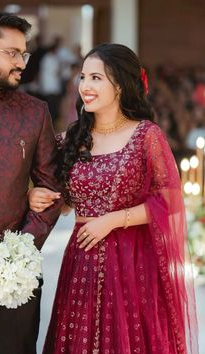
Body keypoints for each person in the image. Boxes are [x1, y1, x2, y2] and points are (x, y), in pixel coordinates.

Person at [29, 43, 198, 354]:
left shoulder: (145, 135)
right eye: (82, 77)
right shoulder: (72, 138)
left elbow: (169, 202)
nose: (85, 86)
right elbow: (64, 200)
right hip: (82, 260)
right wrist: (37, 194)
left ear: (119, 85)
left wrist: (113, 220)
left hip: (131, 263)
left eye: (96, 78)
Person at [0, 8, 62, 354]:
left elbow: (52, 187)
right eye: (11, 53)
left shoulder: (34, 112)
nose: (22, 62)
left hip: (15, 276)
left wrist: (20, 250)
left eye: (24, 53)